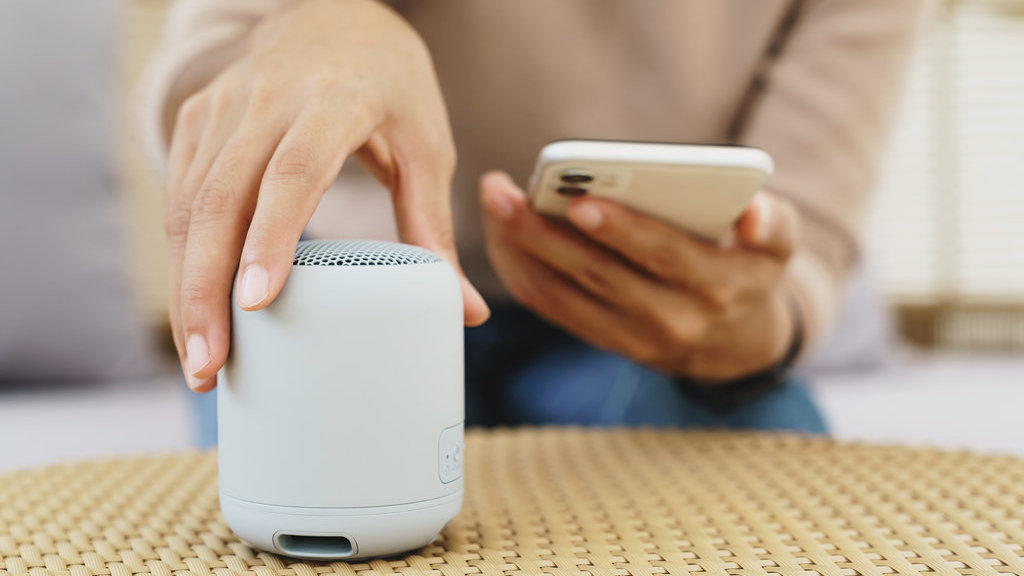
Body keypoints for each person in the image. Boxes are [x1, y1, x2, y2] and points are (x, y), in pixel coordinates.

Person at [141, 0, 923, 438]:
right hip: (342, 288)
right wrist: (309, 27)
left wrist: (751, 325)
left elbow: (807, 234)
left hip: (643, 320)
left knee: (770, 471)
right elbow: (200, 90)